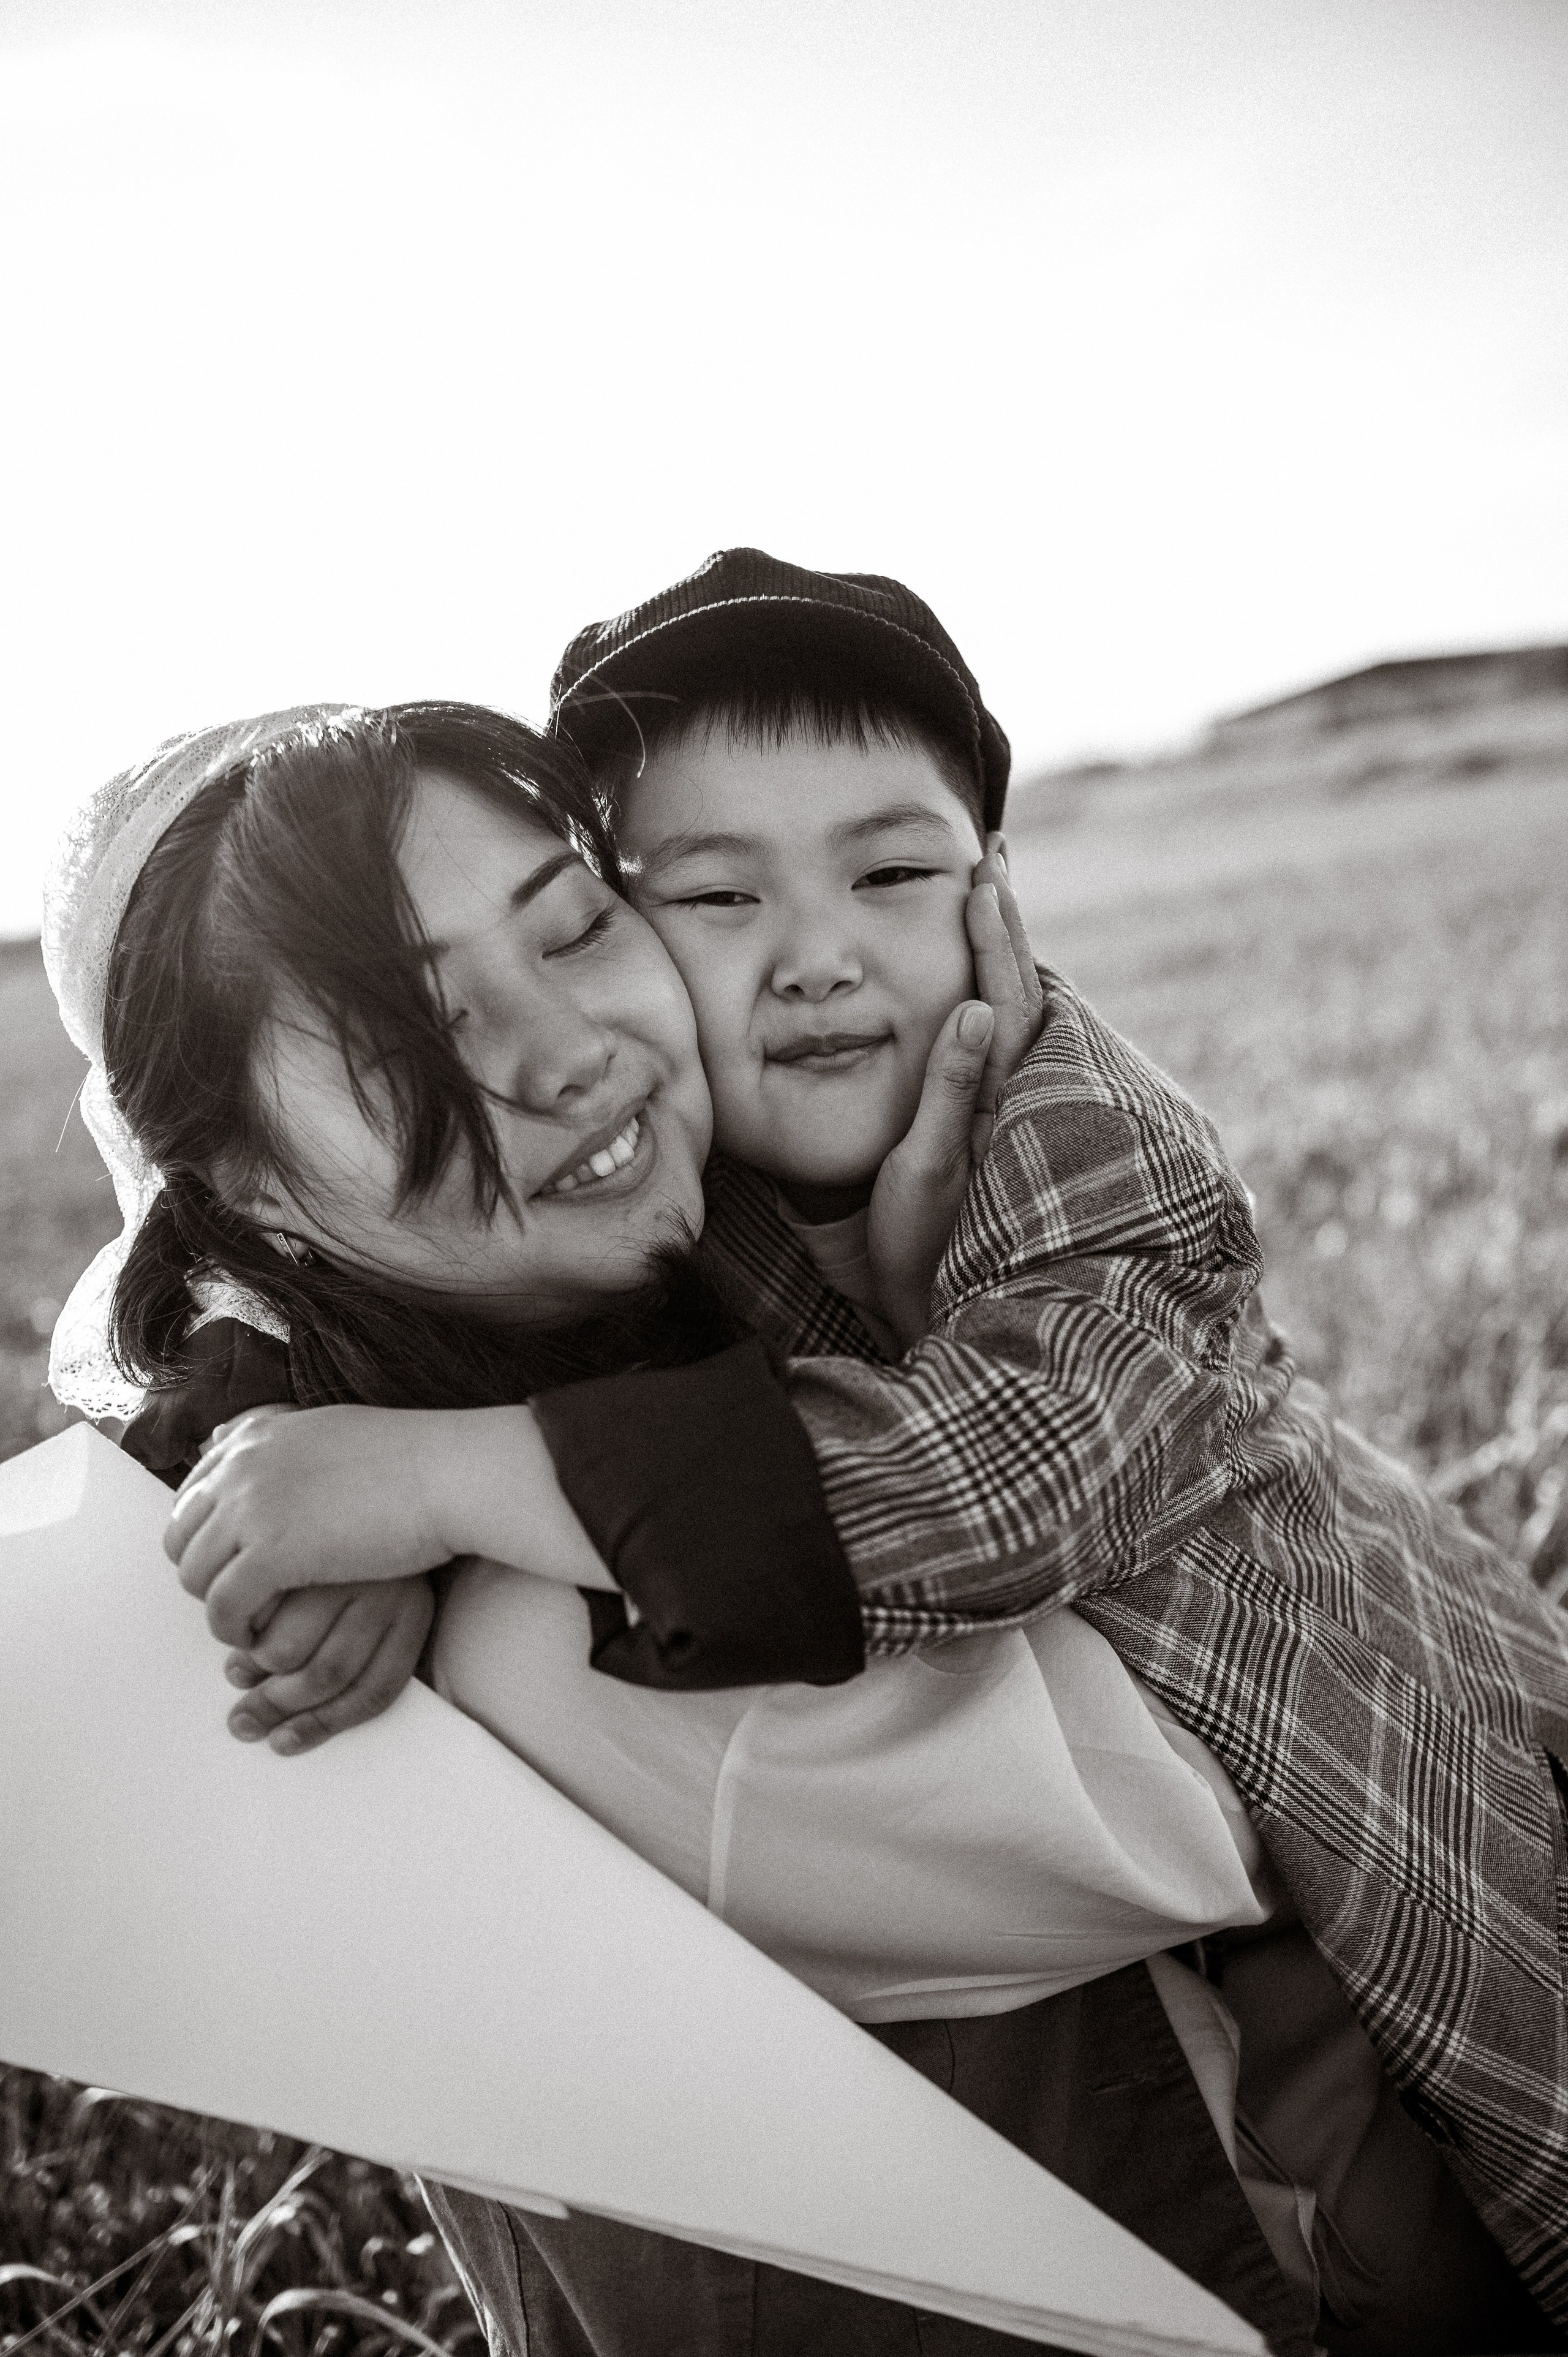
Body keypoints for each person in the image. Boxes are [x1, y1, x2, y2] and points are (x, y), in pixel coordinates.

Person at [145, 557, 1568, 2338]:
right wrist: (280, 1461)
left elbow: (984, 1493)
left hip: (1403, 1787)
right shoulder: (684, 1182)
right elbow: (209, 1304)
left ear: (998, 907)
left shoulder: (1089, 1153)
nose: (816, 954)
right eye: (710, 896)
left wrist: (426, 1487)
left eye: (892, 873)